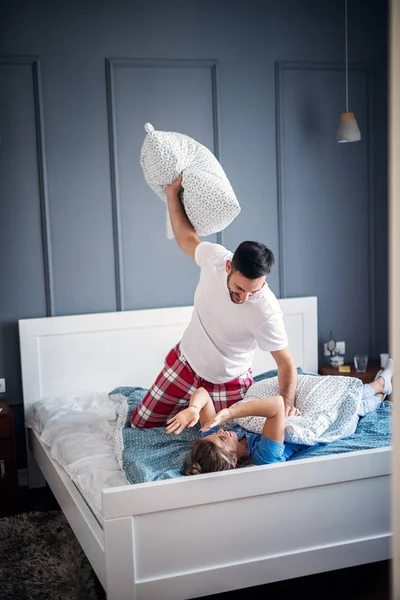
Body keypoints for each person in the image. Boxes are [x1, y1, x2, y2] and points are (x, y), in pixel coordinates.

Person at [131, 175, 298, 428]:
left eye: (255, 291)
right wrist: (172, 195)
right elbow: (186, 238)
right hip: (185, 363)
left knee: (227, 447)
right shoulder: (214, 259)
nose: (246, 298)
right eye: (240, 289)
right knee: (140, 424)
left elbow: (286, 363)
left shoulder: (266, 310)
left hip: (229, 380)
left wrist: (286, 407)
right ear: (228, 266)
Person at [164, 359, 393, 476]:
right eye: (223, 439)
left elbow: (203, 393)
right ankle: (382, 385)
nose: (222, 432)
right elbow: (276, 405)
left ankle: (382, 385)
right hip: (314, 426)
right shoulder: (265, 457)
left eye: (217, 435)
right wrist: (232, 412)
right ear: (233, 461)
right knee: (357, 405)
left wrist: (194, 409)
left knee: (358, 397)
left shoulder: (215, 439)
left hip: (292, 416)